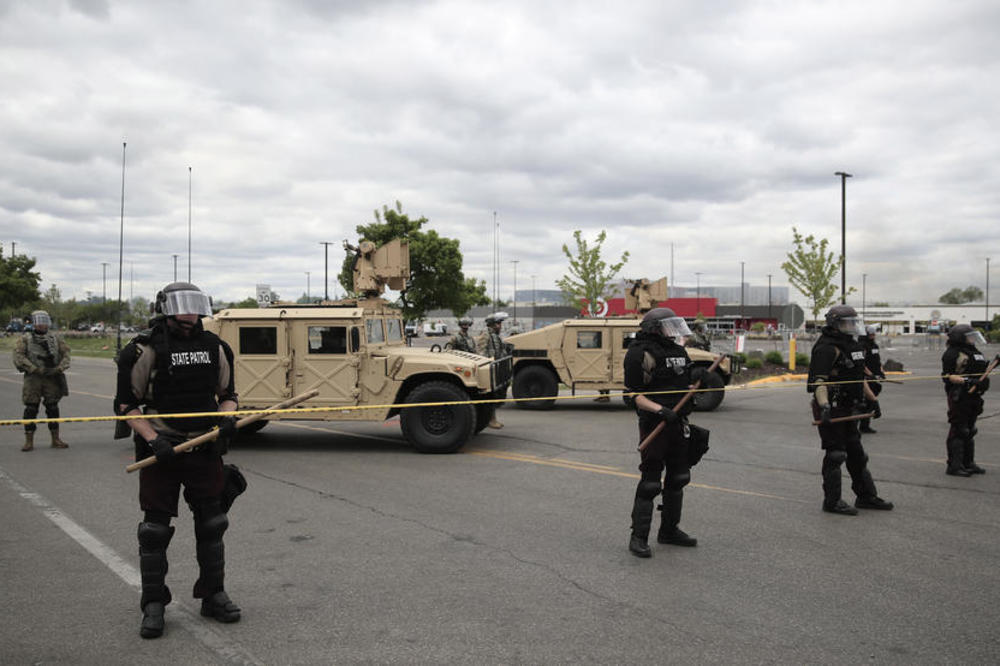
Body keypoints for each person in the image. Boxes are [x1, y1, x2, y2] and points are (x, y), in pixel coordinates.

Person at [115, 282, 242, 639]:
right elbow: (127, 405)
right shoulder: (142, 350)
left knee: (213, 523)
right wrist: (154, 441)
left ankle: (213, 594)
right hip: (163, 451)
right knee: (154, 532)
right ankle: (154, 603)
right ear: (165, 309)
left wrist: (226, 417)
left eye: (195, 306)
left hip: (203, 447)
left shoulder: (215, 347)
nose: (190, 314)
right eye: (182, 307)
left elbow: (228, 394)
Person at [624, 307, 703, 557]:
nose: (673, 330)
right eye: (668, 325)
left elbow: (683, 383)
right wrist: (659, 410)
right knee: (650, 483)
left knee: (679, 478)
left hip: (678, 423)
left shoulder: (679, 351)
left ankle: (669, 531)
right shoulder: (639, 353)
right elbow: (631, 395)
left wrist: (693, 388)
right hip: (655, 424)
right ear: (655, 328)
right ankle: (638, 537)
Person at [807, 305, 893, 515]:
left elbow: (858, 377)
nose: (852, 326)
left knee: (856, 454)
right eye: (848, 322)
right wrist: (825, 406)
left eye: (854, 322)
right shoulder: (826, 348)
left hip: (849, 407)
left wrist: (872, 399)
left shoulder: (852, 346)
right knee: (836, 454)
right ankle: (832, 502)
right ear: (835, 324)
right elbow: (819, 382)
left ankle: (866, 497)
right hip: (832, 407)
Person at [12, 310, 71, 451]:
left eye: (44, 321)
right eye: (39, 322)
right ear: (33, 323)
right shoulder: (25, 339)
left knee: (53, 408)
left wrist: (58, 369)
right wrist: (34, 368)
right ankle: (29, 441)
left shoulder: (56, 339)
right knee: (31, 408)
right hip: (34, 378)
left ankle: (55, 439)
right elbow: (19, 357)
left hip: (52, 378)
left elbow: (66, 355)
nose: (42, 325)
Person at [941, 324, 990, 476]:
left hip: (974, 396)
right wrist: (968, 382)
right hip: (960, 395)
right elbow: (947, 376)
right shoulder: (952, 353)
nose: (972, 339)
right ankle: (954, 465)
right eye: (969, 336)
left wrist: (982, 382)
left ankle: (968, 462)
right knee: (959, 429)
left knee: (970, 429)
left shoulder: (974, 352)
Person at [477, 312, 510, 429]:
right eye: (498, 323)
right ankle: (491, 420)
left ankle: (492, 419)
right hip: (489, 371)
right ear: (491, 324)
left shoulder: (495, 336)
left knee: (495, 397)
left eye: (500, 323)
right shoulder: (485, 335)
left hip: (496, 370)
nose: (500, 326)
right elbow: (481, 353)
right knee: (490, 397)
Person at [859, 325, 885, 434]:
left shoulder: (874, 345)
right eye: (871, 334)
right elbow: (861, 364)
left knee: (870, 402)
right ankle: (862, 425)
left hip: (874, 376)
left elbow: (878, 361)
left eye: (874, 334)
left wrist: (881, 372)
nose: (873, 336)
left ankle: (865, 425)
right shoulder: (862, 346)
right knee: (866, 402)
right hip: (866, 377)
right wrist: (870, 374)